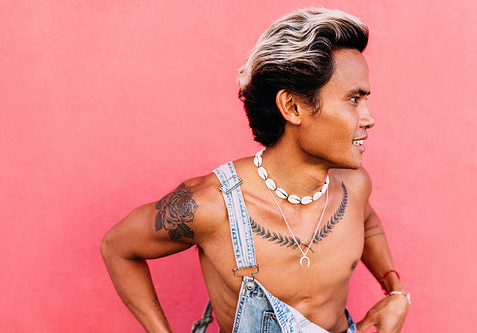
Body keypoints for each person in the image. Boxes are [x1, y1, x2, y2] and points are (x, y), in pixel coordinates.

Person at [101, 8, 410, 333]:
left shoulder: (354, 186)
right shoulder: (211, 206)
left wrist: (395, 291)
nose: (369, 117)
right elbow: (117, 247)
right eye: (353, 99)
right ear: (292, 107)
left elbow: (367, 220)